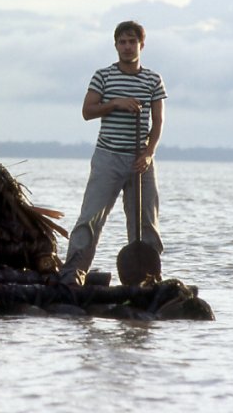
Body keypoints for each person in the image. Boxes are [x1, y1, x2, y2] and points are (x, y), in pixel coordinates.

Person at [60, 21, 166, 286]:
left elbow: (158, 122)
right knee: (90, 217)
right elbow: (87, 111)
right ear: (116, 45)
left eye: (132, 42)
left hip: (140, 159)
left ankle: (148, 277)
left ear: (141, 45)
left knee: (146, 223)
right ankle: (73, 273)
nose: (127, 47)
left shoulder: (153, 79)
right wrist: (115, 103)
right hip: (108, 157)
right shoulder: (103, 76)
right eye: (122, 42)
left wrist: (149, 153)